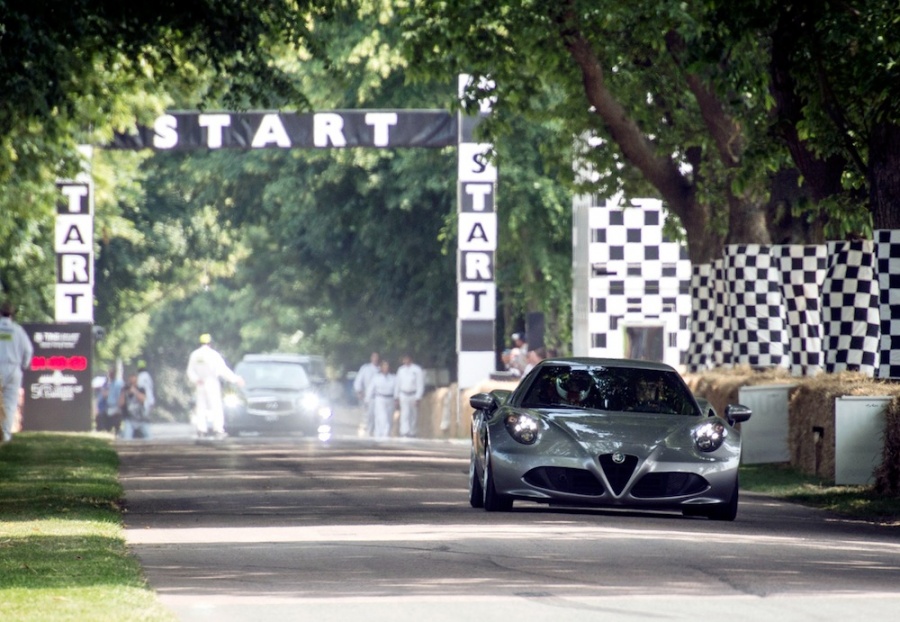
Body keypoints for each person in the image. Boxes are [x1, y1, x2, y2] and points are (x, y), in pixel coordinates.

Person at [186, 334, 244, 439]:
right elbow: (223, 370)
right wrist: (235, 379)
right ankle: (218, 429)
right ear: (211, 343)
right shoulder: (213, 355)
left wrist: (196, 379)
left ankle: (201, 430)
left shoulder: (195, 355)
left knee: (201, 407)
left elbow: (190, 371)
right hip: (212, 382)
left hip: (200, 383)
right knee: (216, 406)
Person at [0, 301, 33, 443]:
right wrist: (24, 364)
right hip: (14, 369)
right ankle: (5, 435)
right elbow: (28, 350)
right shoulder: (18, 330)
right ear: (12, 315)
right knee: (9, 403)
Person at [394, 354, 424, 437]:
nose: (405, 361)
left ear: (410, 359)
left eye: (407, 359)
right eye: (404, 359)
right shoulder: (401, 370)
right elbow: (397, 384)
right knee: (404, 414)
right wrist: (396, 397)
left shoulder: (417, 370)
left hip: (413, 394)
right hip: (403, 394)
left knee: (413, 414)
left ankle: (412, 431)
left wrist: (418, 397)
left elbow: (420, 384)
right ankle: (404, 431)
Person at [366, 359, 396, 438]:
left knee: (389, 417)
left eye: (387, 366)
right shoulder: (376, 378)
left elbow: (396, 389)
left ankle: (384, 432)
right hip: (380, 398)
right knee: (382, 416)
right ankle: (384, 433)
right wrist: (367, 399)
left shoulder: (393, 378)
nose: (386, 368)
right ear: (381, 368)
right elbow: (370, 389)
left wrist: (397, 398)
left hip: (390, 398)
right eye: (384, 366)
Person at [353, 352, 380, 436]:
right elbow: (358, 381)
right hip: (368, 396)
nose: (375, 359)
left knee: (378, 417)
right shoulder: (365, 368)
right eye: (374, 357)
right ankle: (368, 433)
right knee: (368, 416)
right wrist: (359, 391)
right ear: (371, 358)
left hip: (379, 397)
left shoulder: (380, 369)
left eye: (377, 357)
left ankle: (377, 434)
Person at [119, 371, 149, 440]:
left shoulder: (141, 389)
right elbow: (120, 404)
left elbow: (143, 399)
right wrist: (124, 392)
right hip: (129, 419)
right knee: (127, 437)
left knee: (149, 437)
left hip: (141, 418)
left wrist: (134, 391)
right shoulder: (124, 390)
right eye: (131, 378)